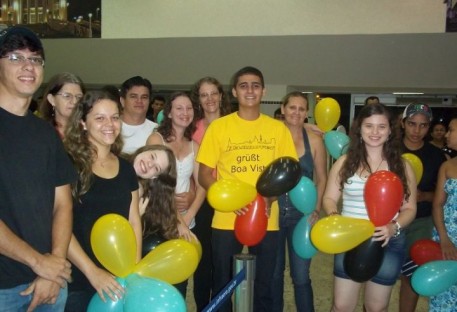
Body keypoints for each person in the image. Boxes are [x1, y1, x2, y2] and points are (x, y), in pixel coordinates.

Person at [197, 66, 297, 312]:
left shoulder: (278, 129)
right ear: (234, 92)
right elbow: (204, 175)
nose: (249, 90)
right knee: (222, 283)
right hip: (225, 219)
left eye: (255, 85)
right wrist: (226, 200)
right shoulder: (218, 128)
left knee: (265, 283)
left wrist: (271, 197)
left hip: (266, 217)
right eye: (243, 85)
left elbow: (289, 174)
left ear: (263, 91)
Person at [0, 26, 76, 311]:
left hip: (50, 283)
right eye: (16, 58)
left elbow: (62, 204)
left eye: (35, 59)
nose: (28, 66)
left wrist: (53, 267)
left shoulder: (45, 134)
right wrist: (40, 263)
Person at [322, 103, 417, 311]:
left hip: (388, 241)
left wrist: (394, 227)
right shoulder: (344, 163)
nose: (375, 132)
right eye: (369, 126)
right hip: (350, 239)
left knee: (377, 308)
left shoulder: (402, 166)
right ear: (359, 129)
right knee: (341, 306)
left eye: (381, 127)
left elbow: (410, 209)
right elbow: (329, 198)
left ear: (390, 130)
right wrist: (333, 215)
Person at [63, 90, 142, 311]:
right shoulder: (68, 165)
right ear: (82, 123)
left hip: (119, 278)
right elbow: (58, 225)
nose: (110, 124)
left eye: (115, 117)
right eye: (100, 118)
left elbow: (133, 221)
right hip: (78, 278)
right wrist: (92, 272)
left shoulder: (126, 168)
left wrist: (132, 271)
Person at [271, 91, 327, 312]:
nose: (296, 112)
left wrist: (316, 208)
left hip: (302, 215)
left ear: (307, 113)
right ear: (283, 109)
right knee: (274, 275)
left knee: (301, 276)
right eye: (292, 107)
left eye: (301, 109)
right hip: (273, 212)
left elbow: (322, 178)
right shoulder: (271, 135)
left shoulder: (314, 140)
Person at [146, 91, 206, 297]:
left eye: (189, 108)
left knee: (180, 280)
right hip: (159, 218)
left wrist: (189, 217)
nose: (185, 112)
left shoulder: (195, 146)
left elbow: (202, 186)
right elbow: (154, 185)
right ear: (169, 113)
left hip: (186, 220)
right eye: (179, 108)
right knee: (158, 280)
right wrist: (178, 220)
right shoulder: (156, 139)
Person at [399, 103, 447, 312]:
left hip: (421, 220)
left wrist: (424, 195)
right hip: (389, 220)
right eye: (411, 124)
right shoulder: (388, 150)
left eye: (423, 125)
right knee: (380, 273)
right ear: (403, 124)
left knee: (412, 274)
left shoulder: (436, 156)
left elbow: (443, 194)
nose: (416, 131)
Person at [189, 76, 231, 311]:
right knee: (204, 261)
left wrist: (304, 125)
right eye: (204, 95)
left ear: (221, 95)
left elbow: (265, 126)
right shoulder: (192, 127)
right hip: (201, 200)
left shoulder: (233, 124)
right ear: (199, 99)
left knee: (224, 261)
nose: (210, 99)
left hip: (227, 199)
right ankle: (204, 307)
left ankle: (224, 305)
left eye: (213, 93)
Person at [430, 116, 457, 311]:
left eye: (451, 130)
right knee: (444, 297)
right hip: (448, 240)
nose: (446, 134)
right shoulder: (447, 166)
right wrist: (444, 238)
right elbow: (438, 205)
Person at [38, 72, 85, 139]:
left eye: (79, 97)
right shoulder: (41, 130)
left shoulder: (88, 130)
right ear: (51, 99)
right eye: (67, 96)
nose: (74, 101)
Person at [119, 76, 158, 155]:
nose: (139, 101)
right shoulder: (110, 128)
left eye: (144, 97)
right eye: (133, 96)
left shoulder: (157, 130)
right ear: (122, 101)